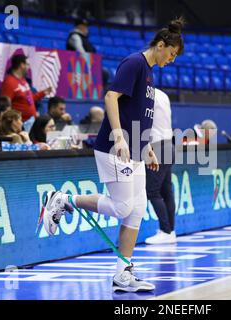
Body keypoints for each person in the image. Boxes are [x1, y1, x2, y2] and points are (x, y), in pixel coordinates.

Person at [41, 17, 185, 292]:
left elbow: (140, 117)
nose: (172, 59)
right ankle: (64, 199)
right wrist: (119, 136)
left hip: (136, 151)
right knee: (122, 208)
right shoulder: (134, 63)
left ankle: (123, 274)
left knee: (137, 210)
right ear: (161, 44)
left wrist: (146, 149)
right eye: (172, 53)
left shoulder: (150, 74)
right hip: (114, 146)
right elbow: (110, 98)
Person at [145, 88, 176, 245]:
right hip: (169, 144)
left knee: (152, 190)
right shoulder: (163, 94)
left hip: (157, 146)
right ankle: (170, 231)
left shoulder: (146, 93)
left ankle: (166, 230)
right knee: (166, 190)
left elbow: (144, 120)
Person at [0, 54, 51, 122]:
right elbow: (5, 106)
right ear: (22, 65)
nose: (28, 67)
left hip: (30, 123)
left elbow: (29, 99)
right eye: (27, 64)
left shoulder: (23, 81)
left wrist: (42, 93)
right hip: (19, 124)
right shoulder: (9, 82)